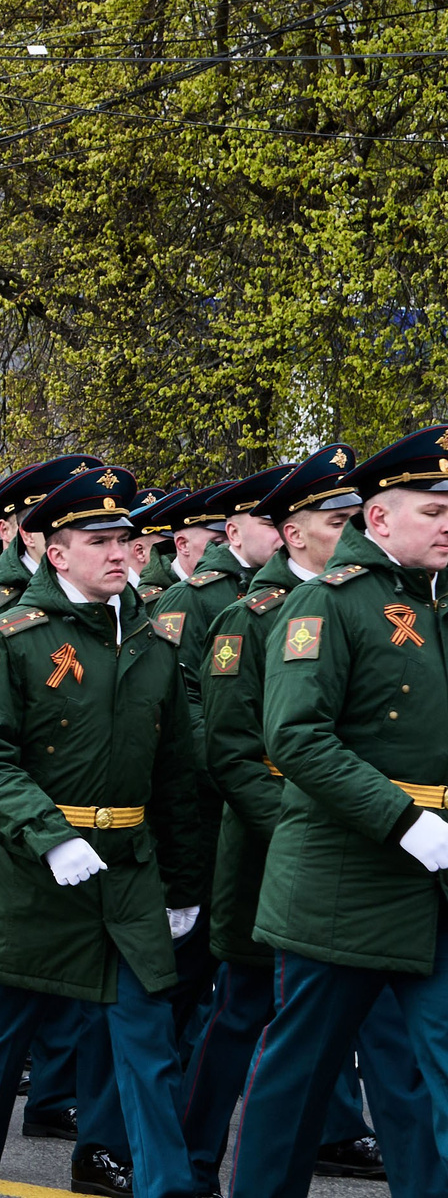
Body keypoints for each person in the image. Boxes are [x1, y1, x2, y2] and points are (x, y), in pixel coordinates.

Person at [0, 466, 205, 1198]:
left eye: (128, 539)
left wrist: (182, 883)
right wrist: (50, 834)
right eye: (101, 540)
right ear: (56, 552)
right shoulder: (11, 635)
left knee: (148, 1044)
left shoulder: (150, 639)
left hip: (126, 872)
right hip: (30, 875)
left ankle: (166, 1186)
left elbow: (176, 773)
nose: (121, 552)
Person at [186, 445, 425, 1189]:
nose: (349, 527)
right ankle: (194, 1163)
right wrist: (297, 816)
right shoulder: (253, 616)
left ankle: (356, 1140)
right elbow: (235, 751)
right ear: (295, 532)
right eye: (338, 517)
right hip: (286, 849)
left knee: (391, 1043)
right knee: (249, 1019)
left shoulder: (406, 603)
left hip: (389, 858)